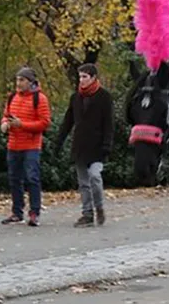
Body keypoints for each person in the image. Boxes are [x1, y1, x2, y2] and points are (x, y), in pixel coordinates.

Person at [54, 64, 115, 228]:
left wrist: (107, 145)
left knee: (95, 177)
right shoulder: (76, 98)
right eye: (80, 77)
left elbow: (109, 123)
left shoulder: (104, 97)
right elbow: (68, 121)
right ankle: (87, 213)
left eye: (85, 77)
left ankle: (99, 207)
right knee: (83, 183)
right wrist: (58, 142)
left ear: (93, 77)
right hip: (80, 146)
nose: (81, 80)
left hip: (97, 146)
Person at [0, 67, 51, 227]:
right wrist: (4, 124)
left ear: (30, 82)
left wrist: (22, 125)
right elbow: (5, 116)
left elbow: (45, 123)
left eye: (22, 80)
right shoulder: (12, 97)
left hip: (31, 145)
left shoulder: (40, 98)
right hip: (13, 144)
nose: (18, 83)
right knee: (14, 179)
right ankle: (17, 212)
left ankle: (34, 212)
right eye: (17, 80)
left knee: (32, 178)